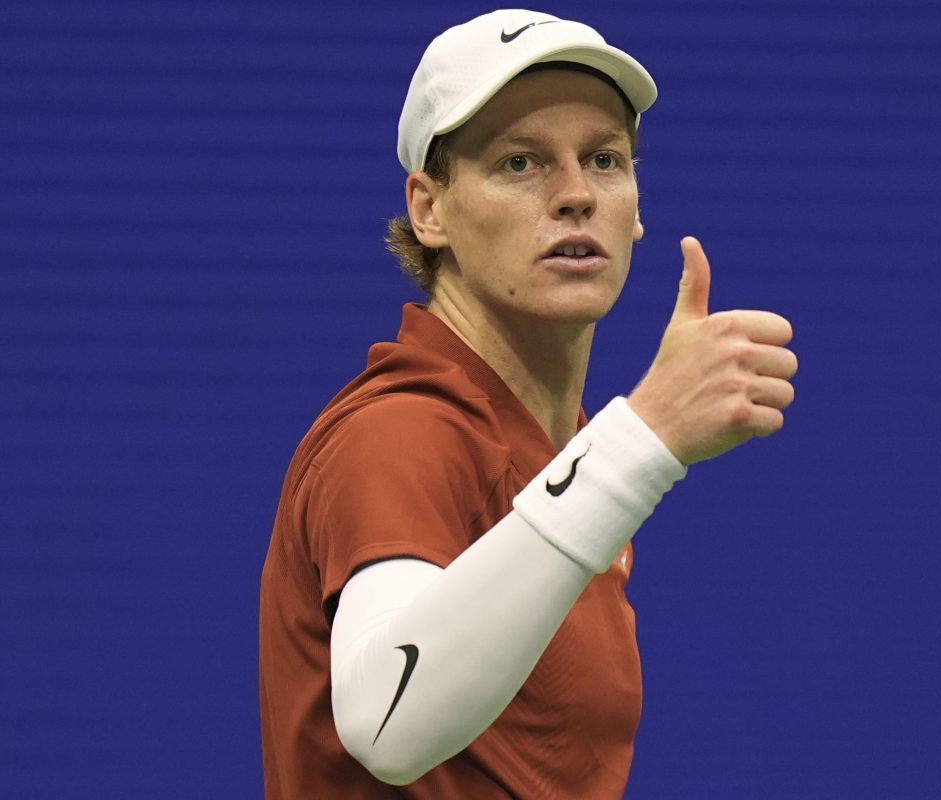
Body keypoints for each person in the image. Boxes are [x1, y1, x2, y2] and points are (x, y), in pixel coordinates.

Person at [259, 9, 797, 798]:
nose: (576, 194)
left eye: (605, 160)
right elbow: (385, 719)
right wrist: (643, 440)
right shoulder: (401, 430)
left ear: (638, 207)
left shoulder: (563, 463)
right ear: (429, 209)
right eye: (520, 163)